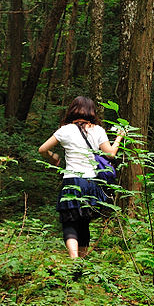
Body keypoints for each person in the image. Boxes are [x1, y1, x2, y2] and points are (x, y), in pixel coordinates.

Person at [38, 96, 124, 259]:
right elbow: (111, 154)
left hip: (72, 180)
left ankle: (74, 258)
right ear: (91, 111)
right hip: (91, 181)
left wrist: (53, 157)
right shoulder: (98, 130)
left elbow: (42, 149)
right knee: (84, 221)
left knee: (69, 221)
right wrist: (119, 137)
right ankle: (81, 262)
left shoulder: (64, 130)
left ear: (72, 110)